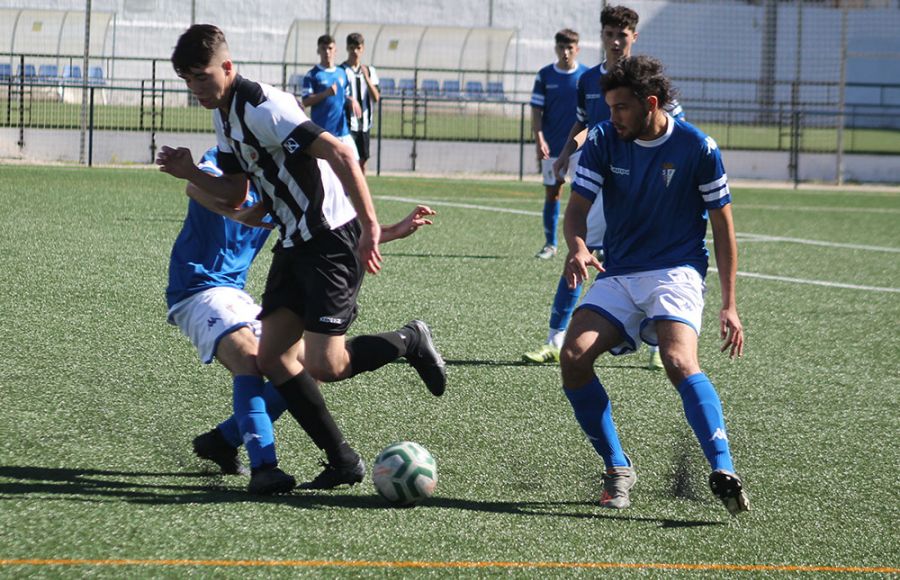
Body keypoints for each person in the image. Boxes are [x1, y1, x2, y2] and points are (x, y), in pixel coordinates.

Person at [156, 24, 446, 494]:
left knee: (326, 364)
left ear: (227, 67)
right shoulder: (225, 116)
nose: (197, 89)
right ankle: (343, 461)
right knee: (272, 357)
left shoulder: (263, 105)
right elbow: (235, 192)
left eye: (203, 77)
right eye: (188, 80)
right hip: (295, 242)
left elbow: (340, 154)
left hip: (330, 239)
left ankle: (410, 340)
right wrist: (190, 172)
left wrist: (373, 227)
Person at [170, 147, 437, 484]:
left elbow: (327, 228)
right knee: (250, 360)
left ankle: (223, 441)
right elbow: (196, 187)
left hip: (234, 293)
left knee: (308, 368)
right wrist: (214, 190)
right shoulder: (230, 157)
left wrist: (393, 231)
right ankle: (265, 468)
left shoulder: (281, 184)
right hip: (199, 287)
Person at [559, 55, 749, 516]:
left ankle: (723, 468)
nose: (612, 116)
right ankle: (617, 466)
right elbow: (577, 212)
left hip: (676, 269)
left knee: (678, 360)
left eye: (621, 107)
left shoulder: (697, 147)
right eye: (608, 106)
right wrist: (578, 247)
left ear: (650, 103)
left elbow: (724, 229)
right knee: (573, 357)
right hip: (619, 271)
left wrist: (729, 304)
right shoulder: (604, 139)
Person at [523, 5, 679, 370]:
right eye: (609, 34)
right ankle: (555, 339)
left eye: (622, 35)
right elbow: (582, 124)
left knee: (648, 261)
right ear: (602, 37)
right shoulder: (588, 80)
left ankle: (660, 342)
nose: (615, 42)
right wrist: (564, 155)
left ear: (633, 37)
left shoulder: (645, 80)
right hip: (598, 180)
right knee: (578, 253)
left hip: (640, 186)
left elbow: (673, 124)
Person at [530, 29, 589, 261]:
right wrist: (539, 139)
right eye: (561, 48)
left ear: (577, 49)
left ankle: (592, 244)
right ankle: (550, 244)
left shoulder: (586, 76)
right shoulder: (545, 75)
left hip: (580, 147)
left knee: (586, 194)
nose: (566, 52)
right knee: (553, 193)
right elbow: (536, 110)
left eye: (570, 48)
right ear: (556, 48)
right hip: (552, 146)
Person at [301, 34, 360, 157]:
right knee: (326, 172)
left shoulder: (341, 73)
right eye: (323, 48)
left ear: (336, 50)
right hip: (323, 133)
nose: (327, 52)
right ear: (318, 50)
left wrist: (351, 100)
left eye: (330, 48)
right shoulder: (312, 75)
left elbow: (344, 95)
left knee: (354, 163)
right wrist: (325, 94)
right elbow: (305, 101)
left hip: (342, 132)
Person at [341, 32, 380, 174]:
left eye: (358, 48)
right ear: (347, 48)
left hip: (365, 125)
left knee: (362, 163)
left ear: (362, 48)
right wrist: (349, 99)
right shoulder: (342, 71)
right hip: (347, 124)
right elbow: (338, 96)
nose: (355, 51)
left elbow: (376, 97)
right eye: (352, 48)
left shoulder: (370, 71)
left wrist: (367, 78)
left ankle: (358, 194)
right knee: (348, 160)